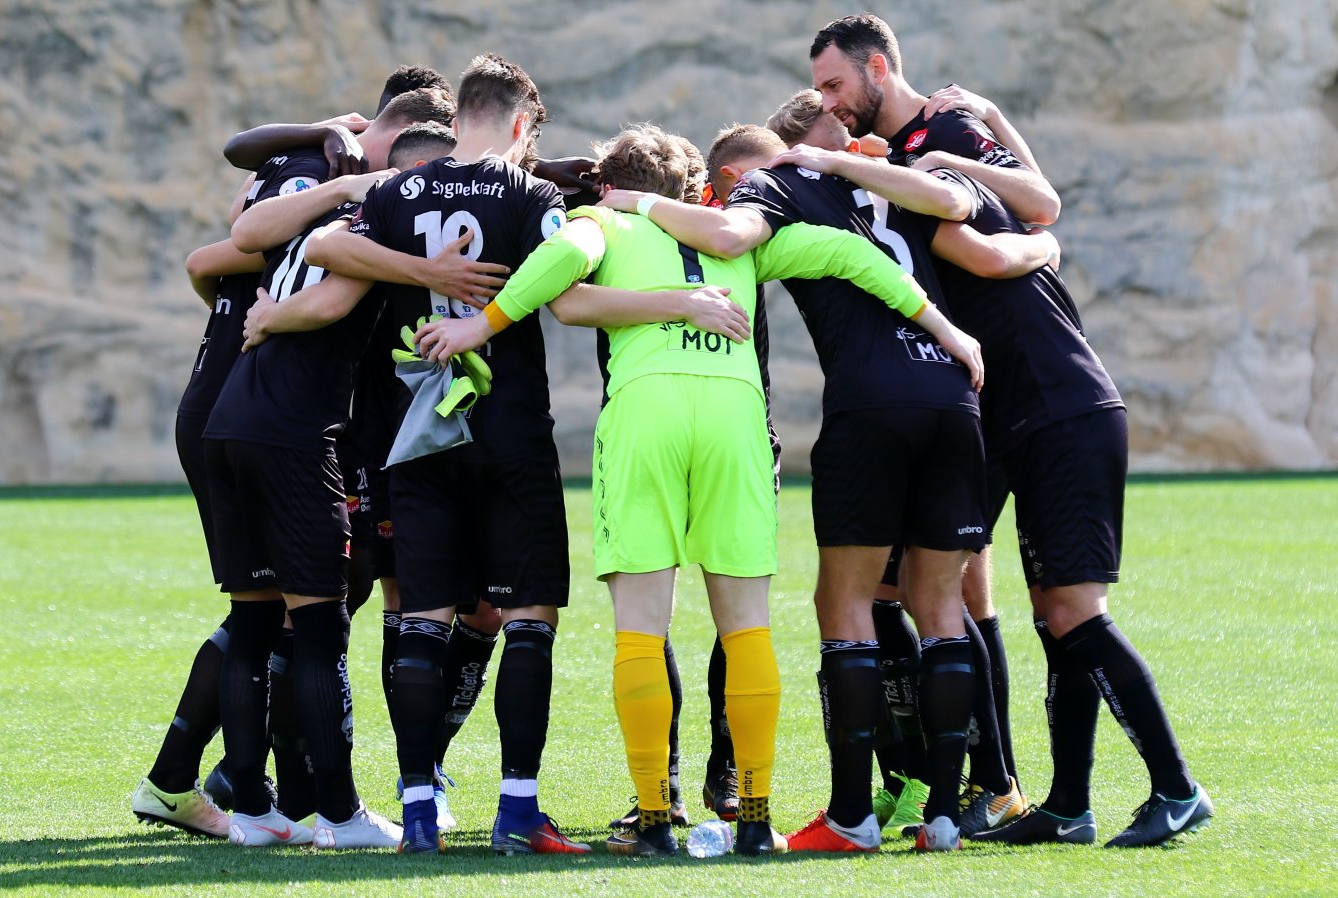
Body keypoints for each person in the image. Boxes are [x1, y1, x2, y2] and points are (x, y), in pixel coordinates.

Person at [416, 123, 980, 857]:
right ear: (691, 191)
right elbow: (852, 255)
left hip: (647, 412)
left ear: (613, 185)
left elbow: (561, 263)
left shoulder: (602, 221)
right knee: (745, 625)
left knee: (641, 626)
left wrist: (480, 327)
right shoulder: (737, 241)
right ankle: (755, 821)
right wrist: (947, 330)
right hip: (734, 418)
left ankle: (655, 820)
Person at [809, 15, 1211, 847]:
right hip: (1005, 414)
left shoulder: (938, 138)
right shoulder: (898, 166)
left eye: (835, 85)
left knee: (1071, 609)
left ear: (877, 68)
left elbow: (1032, 216)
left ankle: (1176, 788)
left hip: (1060, 405)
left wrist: (986, 149)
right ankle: (1059, 804)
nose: (830, 104)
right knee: (1023, 606)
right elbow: (1025, 227)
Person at [596, 120, 1054, 852]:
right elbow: (937, 237)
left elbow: (568, 291)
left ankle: (841, 816)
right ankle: (948, 809)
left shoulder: (754, 199)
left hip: (847, 404)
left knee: (837, 605)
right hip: (946, 395)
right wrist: (959, 322)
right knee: (940, 604)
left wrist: (629, 209)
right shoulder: (888, 182)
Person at [297, 54, 588, 857]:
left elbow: (325, 248)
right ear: (522, 124)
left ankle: (419, 812)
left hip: (419, 431)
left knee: (422, 617)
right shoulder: (532, 194)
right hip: (509, 427)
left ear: (456, 120)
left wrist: (419, 273)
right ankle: (517, 812)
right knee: (528, 616)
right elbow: (566, 297)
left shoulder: (394, 193)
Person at [200, 88, 453, 851]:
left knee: (254, 622)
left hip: (231, 423)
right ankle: (341, 816)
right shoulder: (374, 214)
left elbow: (246, 233)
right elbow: (330, 295)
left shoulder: (317, 205)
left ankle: (253, 812)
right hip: (292, 435)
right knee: (319, 627)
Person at [129, 172, 266, 839]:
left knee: (290, 605)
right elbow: (211, 254)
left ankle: (214, 778)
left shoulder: (309, 183)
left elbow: (206, 258)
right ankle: (242, 790)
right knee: (276, 608)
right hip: (249, 422)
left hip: (239, 415)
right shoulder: (333, 191)